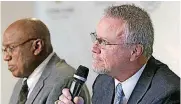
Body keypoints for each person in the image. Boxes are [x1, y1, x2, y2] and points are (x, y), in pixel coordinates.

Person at [56, 4, 180, 104]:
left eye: (104, 42)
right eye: (95, 38)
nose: (94, 49)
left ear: (135, 51)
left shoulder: (168, 93)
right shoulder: (103, 81)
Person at [2, 18, 90, 104]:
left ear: (37, 47)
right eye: (4, 49)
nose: (6, 57)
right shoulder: (22, 84)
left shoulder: (64, 81)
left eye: (11, 48)